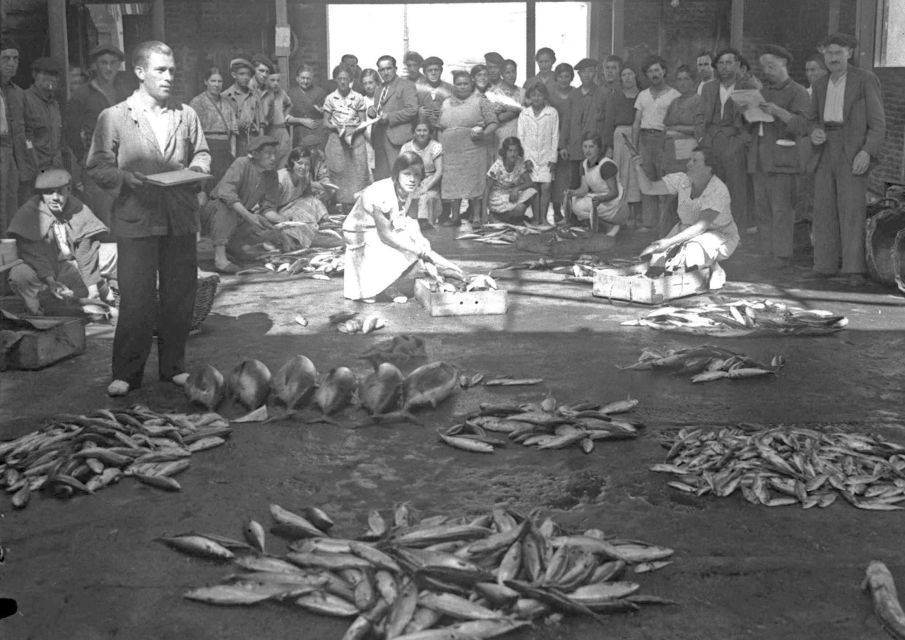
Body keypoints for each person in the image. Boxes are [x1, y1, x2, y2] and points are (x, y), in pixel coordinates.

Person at [86, 40, 211, 397]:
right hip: (136, 220)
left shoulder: (185, 114)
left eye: (172, 70)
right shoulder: (114, 117)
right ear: (140, 73)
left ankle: (174, 367)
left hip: (179, 219)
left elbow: (201, 154)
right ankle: (127, 372)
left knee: (178, 296)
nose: (169, 77)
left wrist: (197, 170)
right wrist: (125, 178)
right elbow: (96, 165)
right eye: (160, 70)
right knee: (137, 298)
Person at [806, 33, 886, 285]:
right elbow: (810, 120)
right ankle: (824, 265)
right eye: (829, 54)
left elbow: (878, 123)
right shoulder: (819, 85)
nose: (833, 58)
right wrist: (814, 131)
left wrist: (867, 151)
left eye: (838, 53)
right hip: (825, 148)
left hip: (853, 150)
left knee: (852, 209)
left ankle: (853, 270)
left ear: (849, 53)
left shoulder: (865, 80)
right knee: (823, 209)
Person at [342, 151, 463, 302]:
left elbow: (411, 219)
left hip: (382, 228)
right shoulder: (380, 192)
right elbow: (385, 235)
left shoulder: (413, 190)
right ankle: (380, 287)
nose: (412, 179)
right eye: (407, 174)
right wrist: (415, 249)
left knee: (414, 247)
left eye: (417, 175)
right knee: (402, 251)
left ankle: (389, 285)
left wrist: (421, 239)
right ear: (396, 174)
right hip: (360, 232)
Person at [6, 168, 116, 315]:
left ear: (69, 190)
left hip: (71, 267)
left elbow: (85, 251)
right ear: (41, 194)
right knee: (19, 274)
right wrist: (52, 283)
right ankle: (43, 304)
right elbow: (35, 255)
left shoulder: (77, 208)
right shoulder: (30, 212)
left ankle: (95, 294)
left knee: (116, 252)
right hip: (43, 273)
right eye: (49, 192)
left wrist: (93, 289)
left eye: (60, 191)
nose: (55, 197)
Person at [633, 146, 739, 290]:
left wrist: (669, 242)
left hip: (719, 234)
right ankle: (696, 268)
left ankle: (714, 269)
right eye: (690, 159)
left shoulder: (718, 190)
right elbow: (649, 188)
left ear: (709, 168)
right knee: (656, 263)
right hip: (687, 230)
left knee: (691, 252)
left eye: (695, 161)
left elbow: (701, 226)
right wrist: (638, 167)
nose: (688, 164)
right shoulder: (682, 180)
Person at [747, 45, 810, 265]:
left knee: (782, 209)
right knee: (762, 208)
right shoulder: (763, 92)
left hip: (783, 160)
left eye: (771, 66)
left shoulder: (798, 92)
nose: (767, 71)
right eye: (764, 67)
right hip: (760, 159)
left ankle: (782, 254)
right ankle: (767, 251)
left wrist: (777, 111)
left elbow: (802, 125)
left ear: (784, 64)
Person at [202, 135, 285, 272]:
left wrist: (282, 222)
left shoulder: (271, 175)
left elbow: (267, 207)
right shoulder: (242, 163)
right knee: (227, 208)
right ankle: (220, 258)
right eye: (268, 154)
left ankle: (234, 248)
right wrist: (249, 216)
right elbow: (226, 194)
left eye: (274, 154)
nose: (273, 158)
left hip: (240, 214)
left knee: (268, 229)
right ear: (255, 154)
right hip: (215, 212)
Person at [695, 48, 751, 233]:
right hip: (711, 142)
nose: (725, 67)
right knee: (712, 188)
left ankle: (736, 232)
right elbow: (700, 115)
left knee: (736, 189)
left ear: (737, 65)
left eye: (729, 62)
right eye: (721, 63)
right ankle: (712, 230)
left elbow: (752, 120)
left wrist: (741, 141)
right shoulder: (709, 87)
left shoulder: (747, 86)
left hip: (734, 141)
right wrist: (701, 137)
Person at [438, 70, 498, 227]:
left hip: (474, 149)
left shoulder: (480, 100)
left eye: (465, 83)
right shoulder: (446, 102)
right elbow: (439, 126)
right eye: (459, 84)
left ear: (471, 84)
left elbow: (493, 122)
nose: (462, 87)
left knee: (474, 183)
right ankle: (455, 217)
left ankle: (476, 217)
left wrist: (483, 134)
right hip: (451, 152)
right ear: (454, 86)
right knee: (454, 183)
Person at [632, 55, 680, 231]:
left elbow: (674, 121)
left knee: (665, 182)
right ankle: (649, 223)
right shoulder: (643, 95)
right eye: (650, 71)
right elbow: (637, 122)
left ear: (664, 71)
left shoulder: (674, 95)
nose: (654, 74)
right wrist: (634, 147)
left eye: (657, 70)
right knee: (647, 180)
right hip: (645, 140)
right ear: (646, 75)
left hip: (664, 141)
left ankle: (666, 224)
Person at [562, 58, 607, 210]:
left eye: (590, 71)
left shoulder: (603, 93)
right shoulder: (573, 95)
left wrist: (607, 146)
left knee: (595, 183)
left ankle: (592, 217)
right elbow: (566, 121)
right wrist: (563, 145)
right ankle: (572, 217)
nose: (586, 75)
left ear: (595, 73)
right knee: (574, 182)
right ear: (579, 75)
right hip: (575, 147)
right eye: (583, 72)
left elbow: (607, 122)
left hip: (594, 148)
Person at [1, 38, 37, 231]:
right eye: (6, 58)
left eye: (15, 59)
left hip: (16, 158)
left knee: (13, 207)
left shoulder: (19, 94)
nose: (12, 63)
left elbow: (28, 132)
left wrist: (30, 154)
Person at [323, 64, 368, 208]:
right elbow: (325, 122)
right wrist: (336, 128)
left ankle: (355, 204)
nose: (343, 82)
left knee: (358, 169)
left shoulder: (358, 97)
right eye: (340, 78)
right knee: (338, 169)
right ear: (336, 79)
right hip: (336, 137)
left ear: (351, 80)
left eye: (346, 79)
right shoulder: (330, 98)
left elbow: (363, 121)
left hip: (356, 138)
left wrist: (353, 129)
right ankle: (338, 202)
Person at [564, 132, 625, 235]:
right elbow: (584, 189)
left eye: (591, 147)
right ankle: (597, 226)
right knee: (574, 201)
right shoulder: (584, 164)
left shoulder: (606, 165)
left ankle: (610, 227)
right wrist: (572, 192)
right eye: (585, 146)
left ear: (599, 148)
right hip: (599, 198)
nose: (587, 150)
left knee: (580, 206)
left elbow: (615, 193)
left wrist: (601, 199)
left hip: (614, 203)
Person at [272, 147, 332, 249]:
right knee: (301, 215)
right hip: (274, 213)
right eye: (299, 163)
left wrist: (325, 191)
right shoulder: (281, 180)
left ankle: (319, 230)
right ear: (292, 162)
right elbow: (267, 209)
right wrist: (284, 221)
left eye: (307, 164)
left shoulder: (305, 176)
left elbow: (307, 193)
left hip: (291, 207)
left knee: (313, 202)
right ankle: (291, 239)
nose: (303, 167)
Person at [371, 55, 418, 181]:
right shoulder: (379, 89)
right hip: (380, 138)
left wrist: (390, 117)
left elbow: (412, 109)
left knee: (400, 176)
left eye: (388, 68)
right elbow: (380, 110)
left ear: (395, 68)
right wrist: (373, 112)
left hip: (397, 140)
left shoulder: (406, 85)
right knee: (382, 179)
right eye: (382, 70)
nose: (385, 73)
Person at [189, 67, 237, 187]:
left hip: (225, 150)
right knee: (208, 185)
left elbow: (233, 132)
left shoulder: (227, 103)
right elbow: (193, 133)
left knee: (225, 185)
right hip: (207, 148)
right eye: (213, 81)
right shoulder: (197, 102)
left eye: (219, 81)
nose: (216, 85)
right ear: (206, 82)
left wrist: (233, 153)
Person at [604, 66, 641, 220]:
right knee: (620, 173)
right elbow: (609, 121)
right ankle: (620, 214)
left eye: (630, 74)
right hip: (619, 136)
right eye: (624, 75)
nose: (627, 78)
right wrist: (609, 146)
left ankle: (635, 214)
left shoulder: (642, 95)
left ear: (635, 75)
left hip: (637, 136)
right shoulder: (615, 96)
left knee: (635, 174)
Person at [518, 82, 558, 224]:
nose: (536, 98)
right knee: (534, 187)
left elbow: (555, 136)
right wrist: (526, 159)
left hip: (547, 156)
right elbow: (520, 137)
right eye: (533, 95)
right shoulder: (524, 113)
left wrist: (553, 159)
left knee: (546, 187)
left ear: (545, 96)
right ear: (529, 97)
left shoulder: (552, 112)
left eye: (539, 95)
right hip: (530, 157)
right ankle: (536, 218)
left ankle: (544, 218)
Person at [24, 57, 64, 174]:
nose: (52, 78)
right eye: (46, 73)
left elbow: (57, 141)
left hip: (55, 169)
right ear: (35, 74)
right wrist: (34, 164)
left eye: (55, 75)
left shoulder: (54, 105)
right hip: (34, 171)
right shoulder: (24, 99)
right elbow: (26, 139)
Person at [400, 117, 443, 226]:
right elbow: (401, 169)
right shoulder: (406, 147)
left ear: (430, 133)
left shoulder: (435, 146)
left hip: (430, 181)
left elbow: (439, 171)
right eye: (418, 130)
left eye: (425, 130)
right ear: (413, 132)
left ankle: (424, 222)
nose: (421, 133)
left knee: (425, 196)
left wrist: (426, 187)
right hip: (411, 180)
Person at [483, 136, 536, 224]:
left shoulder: (518, 162)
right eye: (510, 150)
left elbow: (529, 182)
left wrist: (517, 189)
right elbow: (486, 189)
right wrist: (484, 214)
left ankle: (535, 221)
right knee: (519, 210)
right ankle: (497, 216)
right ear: (505, 152)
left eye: (515, 151)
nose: (513, 154)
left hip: (510, 195)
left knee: (533, 191)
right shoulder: (497, 166)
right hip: (497, 198)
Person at [549, 62, 575, 223]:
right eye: (561, 76)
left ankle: (570, 210)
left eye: (567, 76)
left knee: (570, 176)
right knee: (556, 177)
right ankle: (556, 210)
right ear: (556, 78)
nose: (564, 80)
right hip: (553, 137)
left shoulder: (576, 93)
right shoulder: (551, 94)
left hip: (572, 137)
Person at [222, 58, 261, 158]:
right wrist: (236, 122)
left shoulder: (254, 96)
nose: (245, 77)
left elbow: (260, 123)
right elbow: (221, 123)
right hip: (234, 144)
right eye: (242, 74)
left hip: (253, 144)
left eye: (248, 74)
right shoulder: (225, 96)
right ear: (234, 75)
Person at [288, 64, 327, 150]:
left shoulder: (320, 92)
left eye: (308, 78)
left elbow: (327, 115)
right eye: (303, 78)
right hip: (300, 133)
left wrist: (322, 111)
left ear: (312, 79)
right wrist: (302, 121)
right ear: (297, 78)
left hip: (317, 132)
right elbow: (287, 117)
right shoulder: (291, 94)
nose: (305, 81)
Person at [487, 59, 523, 147]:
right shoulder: (494, 93)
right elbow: (498, 118)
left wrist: (507, 109)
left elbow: (527, 113)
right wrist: (519, 110)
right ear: (502, 74)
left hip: (520, 137)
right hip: (501, 137)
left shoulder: (523, 92)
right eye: (507, 72)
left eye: (513, 72)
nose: (511, 75)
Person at [263, 71, 295, 166]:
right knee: (270, 159)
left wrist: (284, 115)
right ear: (266, 81)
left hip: (282, 129)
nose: (276, 83)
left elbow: (289, 104)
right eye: (272, 80)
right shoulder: (263, 94)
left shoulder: (282, 93)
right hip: (269, 131)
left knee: (284, 158)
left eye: (278, 80)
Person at [416, 56, 454, 131]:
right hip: (423, 131)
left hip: (443, 130)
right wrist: (418, 111)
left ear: (441, 71)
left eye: (436, 70)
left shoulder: (450, 89)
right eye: (430, 70)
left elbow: (458, 108)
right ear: (424, 72)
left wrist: (446, 111)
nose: (433, 73)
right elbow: (408, 108)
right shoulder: (417, 88)